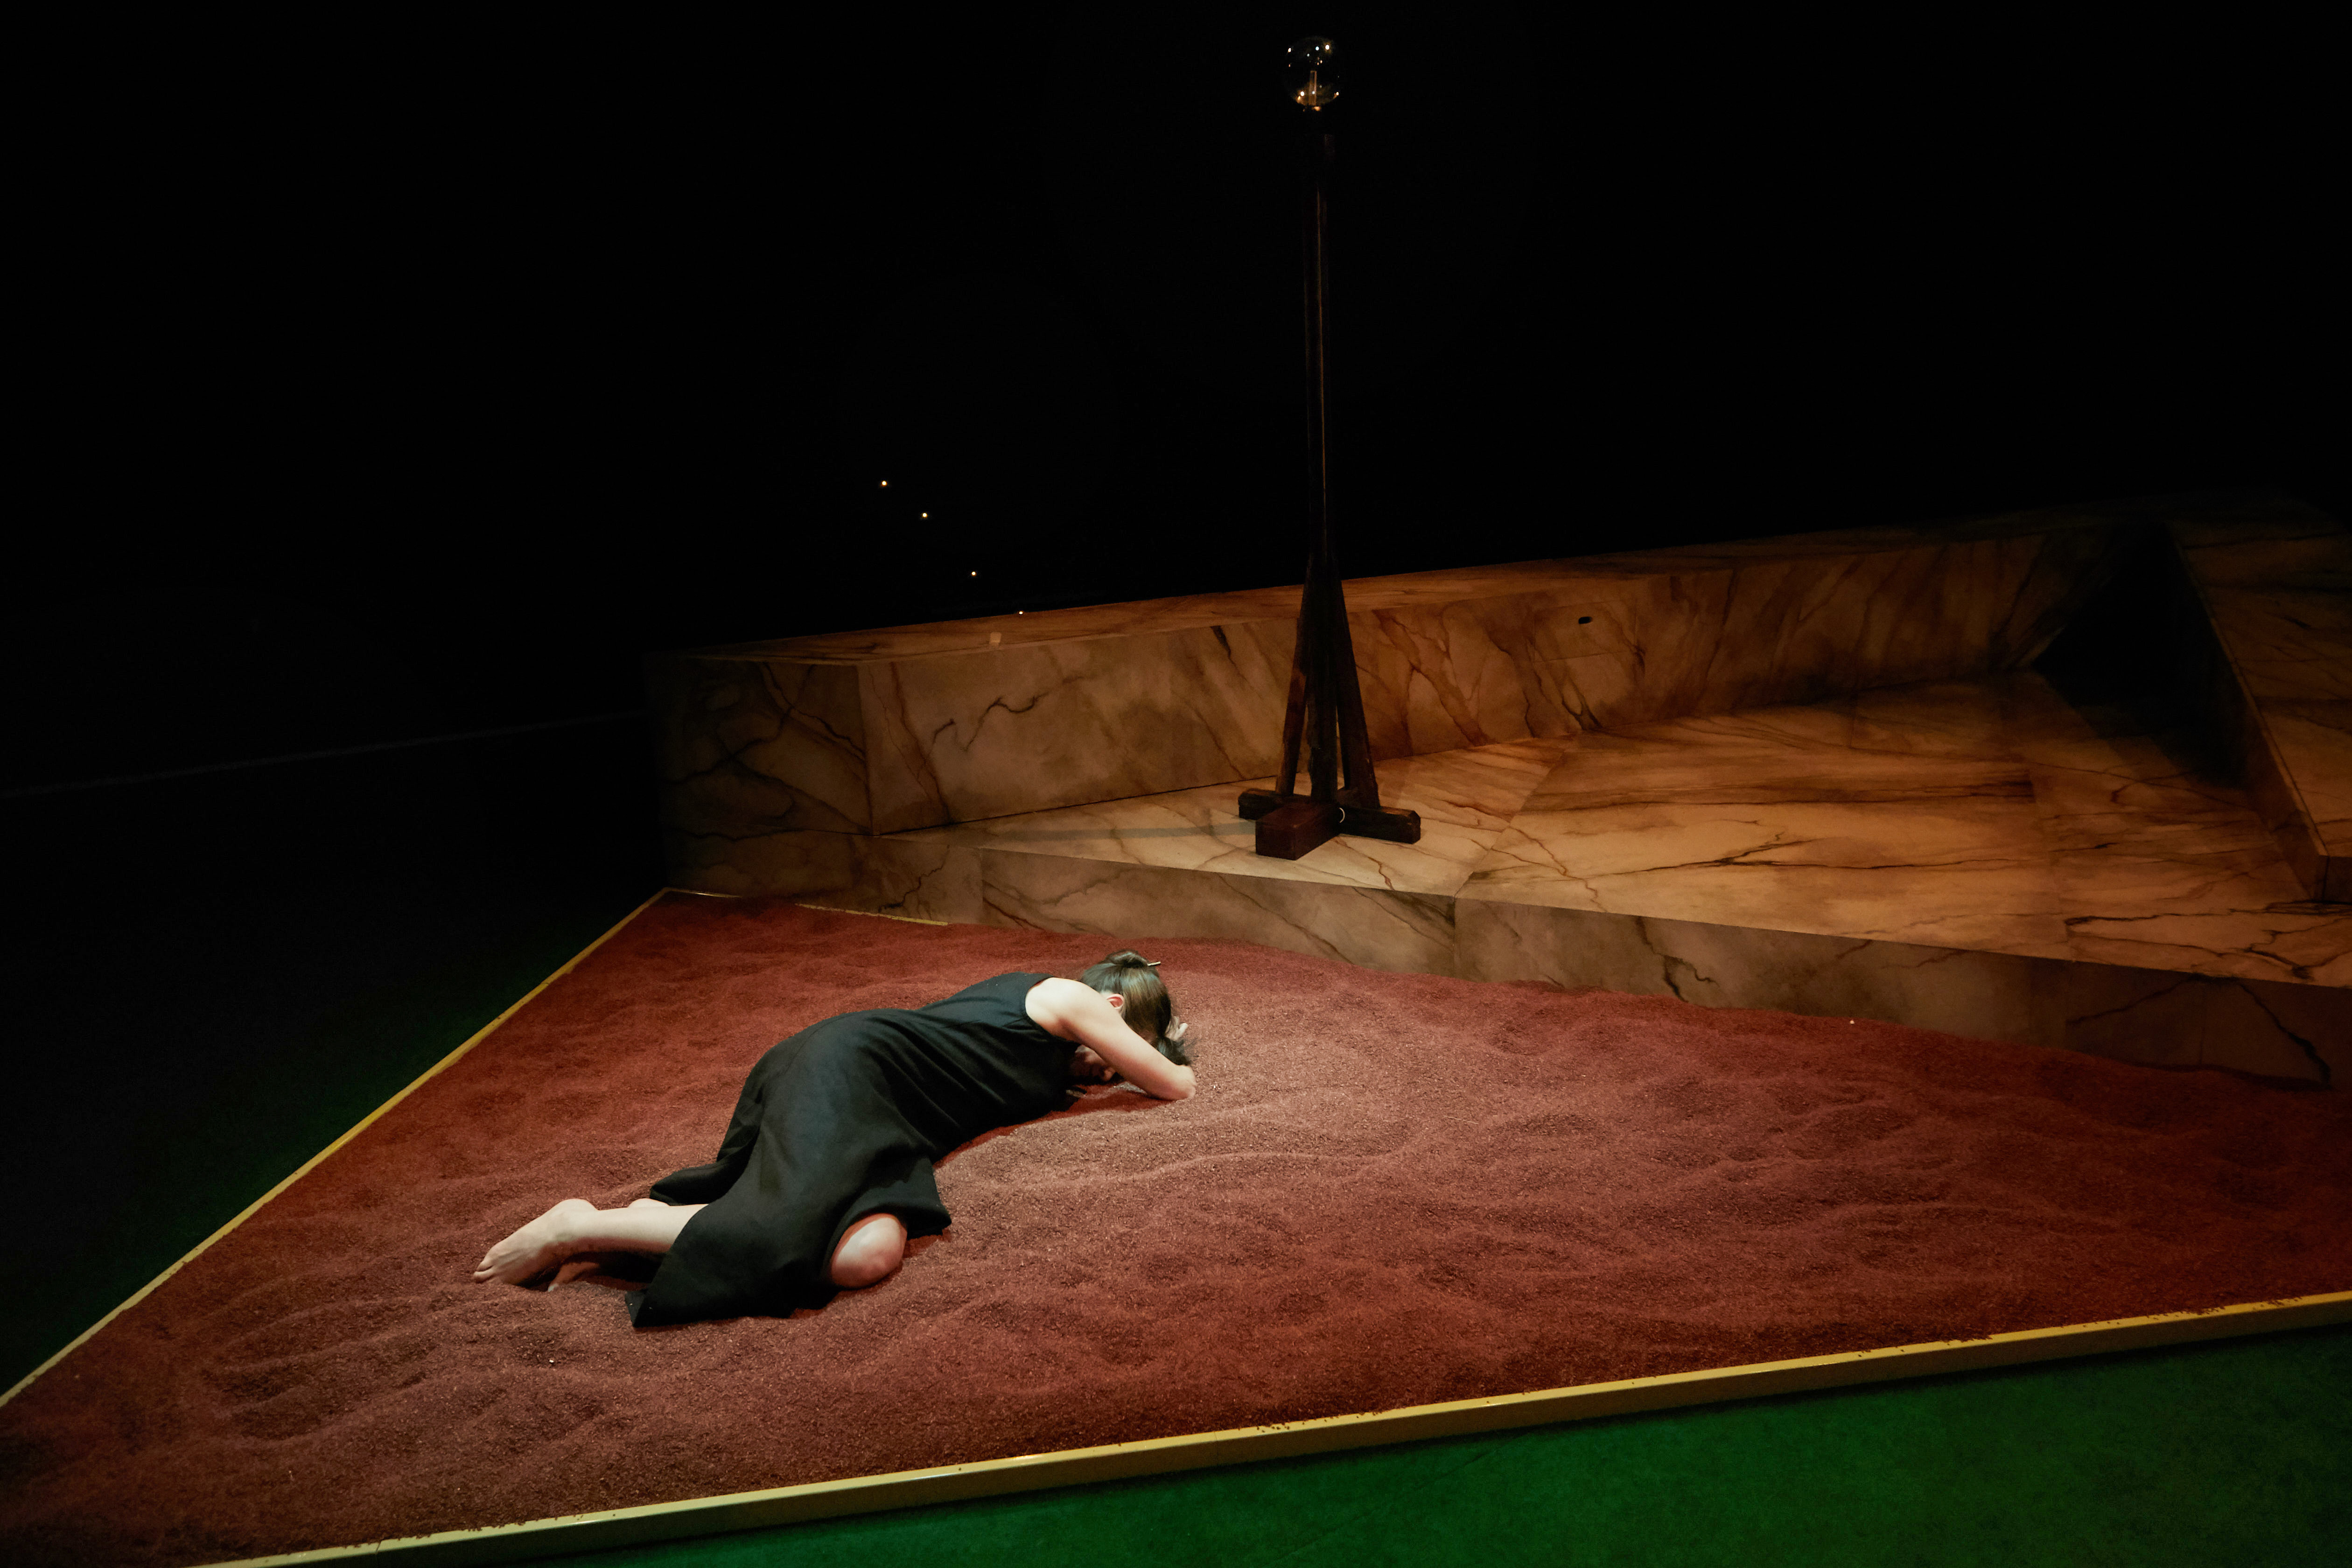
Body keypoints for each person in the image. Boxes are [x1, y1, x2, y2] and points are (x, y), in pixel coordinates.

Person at [472, 951, 1195, 1325]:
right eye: (1123, 1047)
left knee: (865, 1256)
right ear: (1111, 1005)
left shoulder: (1051, 1040)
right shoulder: (1070, 996)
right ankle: (579, 1226)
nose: (1109, 1070)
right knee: (784, 1228)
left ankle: (654, 1229)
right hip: (854, 1070)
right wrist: (1169, 1051)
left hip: (892, 1128)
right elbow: (1175, 1086)